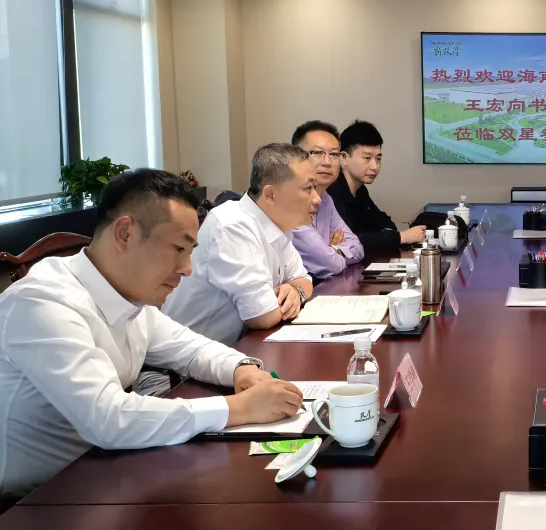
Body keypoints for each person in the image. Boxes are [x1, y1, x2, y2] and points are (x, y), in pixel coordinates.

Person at [0, 169, 304, 499]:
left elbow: (191, 349)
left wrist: (240, 369)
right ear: (125, 233)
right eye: (178, 248)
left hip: (106, 474)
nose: (187, 268)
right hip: (35, 503)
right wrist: (239, 408)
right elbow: (108, 418)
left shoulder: (126, 295)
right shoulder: (42, 302)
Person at [163, 144, 317, 344]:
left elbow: (304, 280)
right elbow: (262, 316)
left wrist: (295, 290)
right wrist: (287, 296)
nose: (317, 198)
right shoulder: (233, 226)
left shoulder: (277, 224)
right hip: (187, 359)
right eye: (308, 188)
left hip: (234, 350)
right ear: (270, 194)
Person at [326, 120, 426, 251]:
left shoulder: (360, 190)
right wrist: (400, 237)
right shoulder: (331, 191)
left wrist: (385, 236)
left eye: (378, 158)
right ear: (344, 158)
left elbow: (385, 223)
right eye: (367, 158)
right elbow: (350, 241)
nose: (375, 166)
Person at [290, 120, 364, 279]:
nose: (327, 162)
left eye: (334, 154)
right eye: (317, 153)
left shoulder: (326, 199)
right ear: (296, 157)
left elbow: (357, 248)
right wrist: (330, 252)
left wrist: (332, 250)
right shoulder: (290, 201)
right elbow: (330, 265)